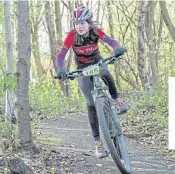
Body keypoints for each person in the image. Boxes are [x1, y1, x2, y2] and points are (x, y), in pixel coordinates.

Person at [55, 6, 129, 158]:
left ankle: (116, 100)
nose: (79, 26)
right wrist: (61, 69)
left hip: (97, 62)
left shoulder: (96, 31)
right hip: (82, 68)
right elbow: (61, 55)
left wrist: (117, 48)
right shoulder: (72, 36)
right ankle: (98, 143)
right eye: (76, 23)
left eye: (82, 23)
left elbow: (111, 41)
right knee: (90, 104)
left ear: (89, 23)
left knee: (106, 73)